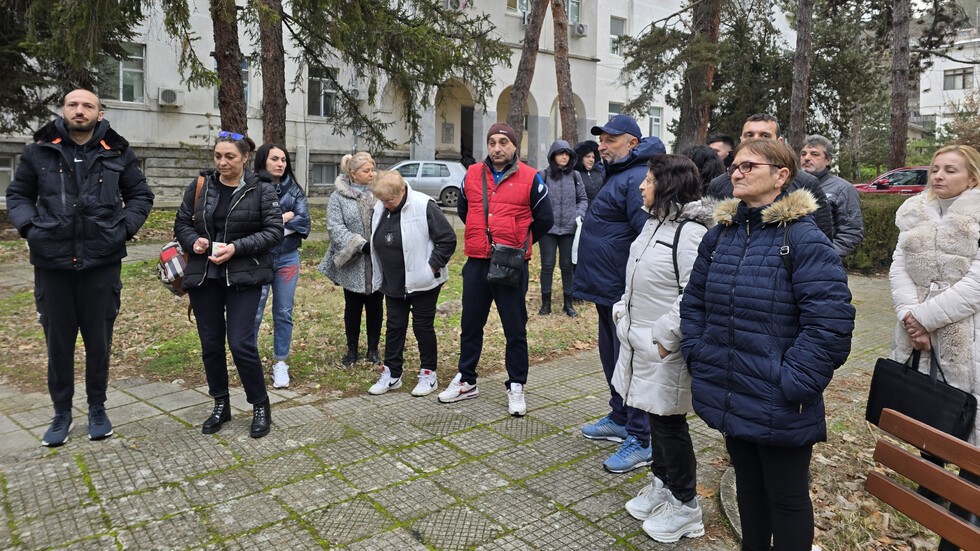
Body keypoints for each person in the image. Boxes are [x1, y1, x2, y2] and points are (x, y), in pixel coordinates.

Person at [680, 139, 854, 551]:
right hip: (730, 386)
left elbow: (830, 324)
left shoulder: (804, 239)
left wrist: (791, 382)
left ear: (781, 176)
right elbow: (694, 302)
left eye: (748, 166)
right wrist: (697, 352)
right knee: (748, 489)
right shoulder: (721, 236)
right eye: (734, 166)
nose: (736, 172)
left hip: (780, 397)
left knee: (788, 499)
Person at [6, 89, 154, 447]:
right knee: (58, 344)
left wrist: (121, 230)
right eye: (73, 104)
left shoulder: (117, 151)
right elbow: (18, 196)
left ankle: (97, 408)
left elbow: (141, 196)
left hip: (100, 264)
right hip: (52, 264)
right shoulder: (38, 150)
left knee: (98, 343)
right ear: (64, 111)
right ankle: (61, 413)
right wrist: (30, 229)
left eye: (88, 105)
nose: (80, 110)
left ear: (99, 114)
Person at [610, 155, 713, 543]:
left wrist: (664, 336)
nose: (641, 186)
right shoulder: (653, 224)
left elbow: (694, 293)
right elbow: (634, 276)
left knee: (670, 424)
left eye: (649, 180)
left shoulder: (689, 234)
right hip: (639, 340)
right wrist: (623, 313)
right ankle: (662, 485)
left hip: (663, 348)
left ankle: (687, 507)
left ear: (667, 185)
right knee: (654, 417)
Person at [889, 144, 980, 551]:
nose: (939, 176)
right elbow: (898, 269)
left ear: (972, 179)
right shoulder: (914, 214)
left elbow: (976, 286)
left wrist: (926, 319)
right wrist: (911, 316)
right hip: (916, 330)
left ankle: (967, 503)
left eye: (951, 170)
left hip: (968, 332)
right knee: (930, 407)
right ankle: (929, 479)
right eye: (936, 169)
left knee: (970, 417)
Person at [437, 122, 553, 416]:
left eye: (503, 142)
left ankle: (516, 384)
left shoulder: (531, 178)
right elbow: (464, 211)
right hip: (477, 261)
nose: (497, 148)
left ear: (514, 146)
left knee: (515, 328)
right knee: (471, 324)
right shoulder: (471, 174)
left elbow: (545, 220)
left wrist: (518, 242)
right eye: (492, 143)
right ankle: (466, 380)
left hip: (511, 263)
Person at [173, 131, 283, 439]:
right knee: (210, 344)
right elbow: (181, 223)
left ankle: (260, 404)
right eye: (218, 156)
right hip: (205, 277)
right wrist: (193, 241)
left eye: (230, 157)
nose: (222, 162)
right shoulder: (200, 186)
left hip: (244, 276)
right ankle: (221, 404)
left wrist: (237, 248)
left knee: (240, 343)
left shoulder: (262, 190)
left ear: (245, 158)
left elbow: (275, 231)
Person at [573, 114, 666, 473]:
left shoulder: (636, 179)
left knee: (630, 361)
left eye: (611, 140)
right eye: (602, 139)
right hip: (604, 287)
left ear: (632, 143)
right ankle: (620, 416)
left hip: (622, 291)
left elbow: (645, 237)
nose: (603, 145)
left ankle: (641, 438)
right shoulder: (619, 173)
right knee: (612, 356)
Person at [366, 171, 457, 396]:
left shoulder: (425, 205)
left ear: (403, 191)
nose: (386, 205)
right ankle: (392, 374)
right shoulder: (381, 207)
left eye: (390, 201)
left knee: (422, 327)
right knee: (394, 327)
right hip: (393, 280)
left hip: (423, 281)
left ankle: (428, 375)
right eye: (382, 201)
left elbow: (448, 240)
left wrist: (431, 268)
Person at [703, 114, 835, 241]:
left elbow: (821, 238)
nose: (756, 140)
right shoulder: (719, 184)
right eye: (749, 135)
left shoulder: (806, 183)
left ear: (779, 142)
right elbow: (710, 235)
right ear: (741, 140)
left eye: (765, 135)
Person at [251, 144, 310, 389]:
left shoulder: (293, 189)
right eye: (275, 158)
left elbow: (304, 221)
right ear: (263, 160)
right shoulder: (251, 186)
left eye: (284, 159)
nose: (280, 163)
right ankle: (249, 362)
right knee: (253, 313)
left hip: (287, 258)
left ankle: (280, 363)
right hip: (259, 258)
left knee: (284, 312)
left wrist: (275, 222)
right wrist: (284, 217)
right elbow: (251, 223)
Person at [318, 152, 383, 367]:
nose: (372, 174)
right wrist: (358, 244)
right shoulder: (338, 197)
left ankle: (373, 350)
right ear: (353, 173)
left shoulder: (380, 193)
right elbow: (334, 227)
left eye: (373, 170)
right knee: (353, 307)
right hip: (353, 262)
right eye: (367, 171)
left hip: (378, 261)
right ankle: (352, 350)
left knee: (376, 306)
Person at [537, 140, 587, 317]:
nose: (564, 156)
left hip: (569, 229)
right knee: (547, 265)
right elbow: (535, 200)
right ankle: (546, 304)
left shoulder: (575, 176)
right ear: (553, 156)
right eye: (560, 153)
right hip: (547, 230)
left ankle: (568, 303)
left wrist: (578, 215)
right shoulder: (542, 175)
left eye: (567, 154)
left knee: (567, 266)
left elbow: (583, 199)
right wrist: (541, 219)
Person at [800, 134, 864, 256]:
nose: (807, 158)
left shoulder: (843, 189)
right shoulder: (791, 185)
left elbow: (851, 232)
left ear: (828, 160)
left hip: (821, 264)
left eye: (814, 154)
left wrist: (826, 256)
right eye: (803, 154)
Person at [573, 139, 605, 208]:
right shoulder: (574, 174)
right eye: (588, 157)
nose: (591, 159)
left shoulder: (599, 172)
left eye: (593, 157)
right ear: (581, 158)